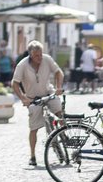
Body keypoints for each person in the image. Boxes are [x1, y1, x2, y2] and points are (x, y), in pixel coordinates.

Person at [11, 39, 64, 167]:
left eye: (40, 54)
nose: (39, 57)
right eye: (36, 56)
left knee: (60, 112)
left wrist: (58, 87)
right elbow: (15, 83)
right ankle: (33, 156)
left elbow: (58, 72)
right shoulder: (22, 65)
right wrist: (23, 98)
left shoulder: (47, 59)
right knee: (33, 128)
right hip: (33, 98)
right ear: (30, 55)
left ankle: (63, 133)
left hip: (48, 93)